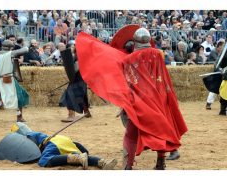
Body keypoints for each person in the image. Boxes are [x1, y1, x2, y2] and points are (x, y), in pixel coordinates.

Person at [75, 28, 188, 170]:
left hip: (139, 101)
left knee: (131, 133)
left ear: (134, 42)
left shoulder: (128, 60)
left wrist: (124, 104)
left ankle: (128, 166)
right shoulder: (158, 54)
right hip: (159, 97)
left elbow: (129, 82)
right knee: (161, 130)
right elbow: (160, 76)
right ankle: (161, 163)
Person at [11, 122, 117, 170]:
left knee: (44, 161)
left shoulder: (27, 136)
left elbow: (33, 153)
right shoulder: (35, 133)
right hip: (64, 140)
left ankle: (78, 157)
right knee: (81, 156)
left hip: (52, 144)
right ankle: (102, 162)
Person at [0, 40, 29, 122]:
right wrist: (24, 43)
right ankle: (19, 117)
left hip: (2, 79)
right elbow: (26, 49)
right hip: (9, 79)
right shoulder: (10, 54)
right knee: (18, 96)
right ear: (10, 48)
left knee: (3, 96)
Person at [59, 40, 91, 122]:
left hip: (79, 81)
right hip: (78, 80)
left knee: (70, 96)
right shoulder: (77, 57)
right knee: (82, 97)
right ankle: (87, 112)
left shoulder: (81, 57)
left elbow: (76, 69)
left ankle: (71, 116)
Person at [205, 41, 225, 110]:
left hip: (225, 75)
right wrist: (220, 70)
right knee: (214, 89)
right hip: (218, 74)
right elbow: (217, 64)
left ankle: (223, 106)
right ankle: (208, 103)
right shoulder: (221, 55)